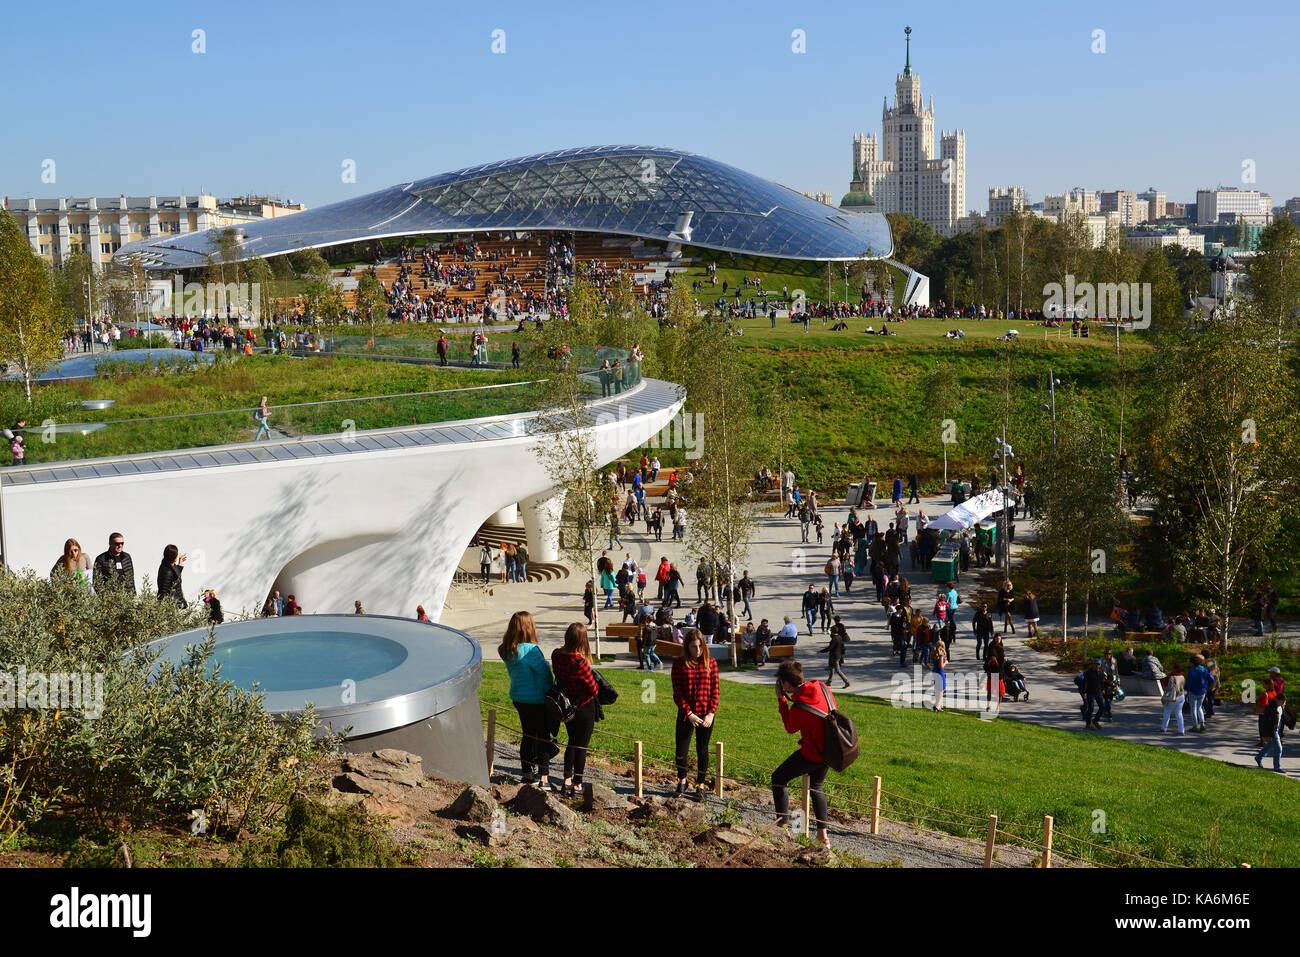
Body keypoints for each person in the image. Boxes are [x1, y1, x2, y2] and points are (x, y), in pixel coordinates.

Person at [772, 660, 834, 848]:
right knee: (816, 786)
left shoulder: (799, 707)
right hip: (830, 751)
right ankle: (823, 836)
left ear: (787, 684)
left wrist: (782, 700)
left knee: (778, 778)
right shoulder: (821, 686)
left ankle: (782, 826)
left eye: (782, 683)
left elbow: (790, 727)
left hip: (812, 754)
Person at [500, 612, 558, 787]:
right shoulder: (530, 650)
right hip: (537, 699)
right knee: (543, 738)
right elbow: (546, 674)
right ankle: (544, 778)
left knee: (528, 735)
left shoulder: (507, 649)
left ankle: (527, 773)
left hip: (519, 696)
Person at [551, 622, 600, 798]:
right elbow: (593, 689)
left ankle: (566, 780)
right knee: (581, 746)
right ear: (582, 640)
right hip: (584, 707)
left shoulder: (556, 654)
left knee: (572, 742)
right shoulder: (580, 662)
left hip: (566, 705)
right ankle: (578, 783)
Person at [672, 629, 719, 800]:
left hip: (706, 714)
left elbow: (715, 690)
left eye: (700, 647)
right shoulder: (679, 664)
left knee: (702, 750)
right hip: (687, 714)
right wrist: (688, 713)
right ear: (687, 646)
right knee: (681, 749)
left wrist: (711, 713)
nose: (697, 650)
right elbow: (677, 693)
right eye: (694, 647)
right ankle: (682, 780)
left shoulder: (710, 663)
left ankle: (700, 784)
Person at [1256, 692, 1286, 772]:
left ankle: (1258, 757)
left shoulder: (1281, 707)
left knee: (1269, 745)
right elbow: (1265, 722)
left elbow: (1281, 719)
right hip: (1272, 731)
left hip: (1277, 730)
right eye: (1283, 701)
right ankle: (1277, 767)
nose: (1284, 703)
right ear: (1278, 700)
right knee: (1279, 749)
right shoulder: (1270, 708)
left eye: (1285, 702)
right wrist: (1266, 734)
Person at [1185, 654, 1212, 732]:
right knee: (1199, 707)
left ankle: (1195, 726)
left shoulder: (1192, 671)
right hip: (1202, 691)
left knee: (1193, 709)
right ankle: (1203, 723)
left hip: (1193, 691)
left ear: (1192, 663)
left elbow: (1189, 682)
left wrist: (1187, 689)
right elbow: (1211, 679)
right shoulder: (1204, 669)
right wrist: (1206, 686)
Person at [1160, 665, 1187, 734]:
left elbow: (1168, 687)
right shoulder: (1182, 677)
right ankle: (1181, 730)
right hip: (1181, 696)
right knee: (1179, 713)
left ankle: (1163, 728)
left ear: (1175, 669)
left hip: (1172, 696)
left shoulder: (1171, 677)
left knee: (1167, 712)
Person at [827, 616, 850, 689]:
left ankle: (846, 682)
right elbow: (843, 647)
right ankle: (829, 681)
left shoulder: (835, 639)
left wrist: (820, 651)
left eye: (831, 631)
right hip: (837, 655)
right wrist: (842, 654)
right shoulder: (839, 637)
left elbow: (830, 648)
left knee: (837, 670)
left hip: (834, 656)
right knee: (831, 667)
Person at [932, 639, 948, 711]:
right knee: (941, 690)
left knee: (938, 689)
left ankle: (937, 705)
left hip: (935, 672)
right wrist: (946, 663)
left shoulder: (936, 655)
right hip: (940, 673)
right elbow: (941, 666)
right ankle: (937, 705)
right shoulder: (941, 655)